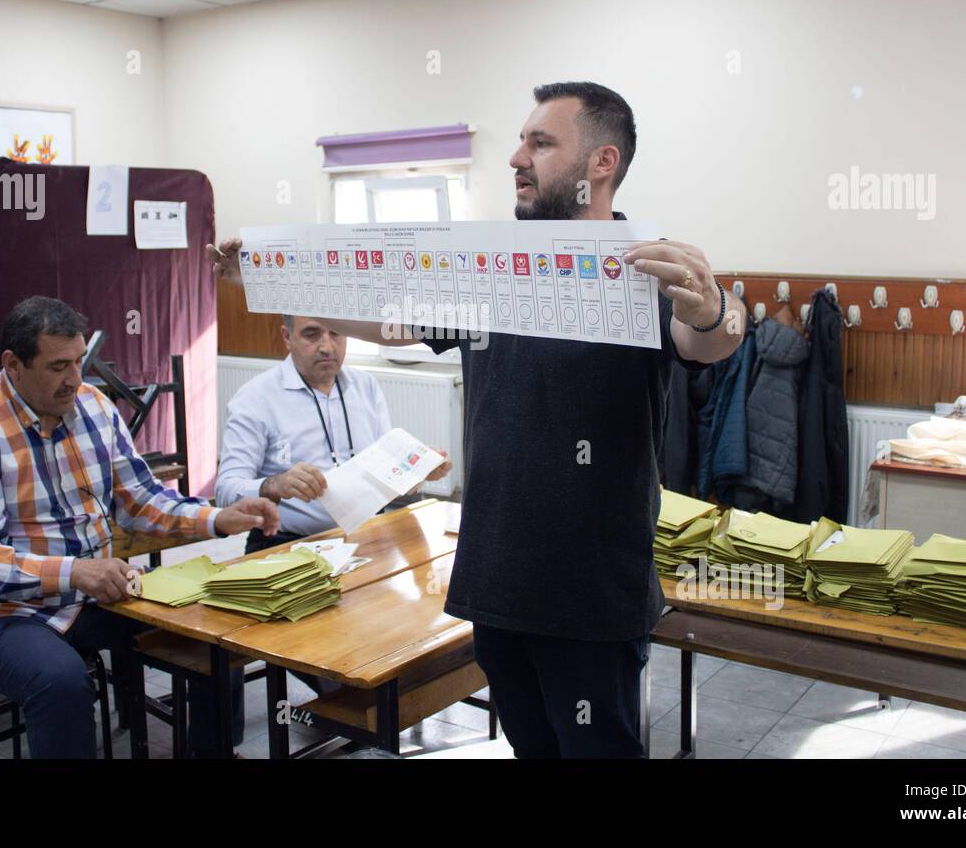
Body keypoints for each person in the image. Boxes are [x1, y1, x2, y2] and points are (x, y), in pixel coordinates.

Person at [209, 81, 743, 758]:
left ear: (601, 163)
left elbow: (712, 341)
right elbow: (392, 321)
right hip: (496, 581)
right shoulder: (494, 271)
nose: (517, 156)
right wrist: (265, 282)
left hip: (589, 595)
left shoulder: (640, 269)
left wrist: (712, 306)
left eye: (540, 142)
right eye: (521, 140)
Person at [0, 296, 279, 758]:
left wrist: (217, 517)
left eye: (78, 362)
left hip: (87, 600)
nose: (74, 379)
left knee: (213, 633)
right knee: (60, 681)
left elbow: (139, 500)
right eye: (57, 367)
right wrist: (76, 572)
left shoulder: (92, 407)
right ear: (12, 364)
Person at [216, 314, 451, 553]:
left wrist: (419, 467)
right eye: (311, 334)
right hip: (289, 545)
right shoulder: (255, 398)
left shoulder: (365, 386)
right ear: (287, 338)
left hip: (369, 536)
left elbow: (386, 471)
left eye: (336, 333)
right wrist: (275, 484)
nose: (327, 347)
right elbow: (225, 490)